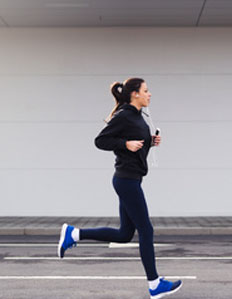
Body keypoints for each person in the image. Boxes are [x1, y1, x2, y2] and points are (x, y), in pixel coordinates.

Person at [57, 78, 183, 298]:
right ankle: (154, 284)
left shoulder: (137, 116)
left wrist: (150, 142)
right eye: (146, 90)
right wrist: (125, 144)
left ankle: (74, 234)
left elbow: (134, 142)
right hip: (126, 181)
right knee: (147, 230)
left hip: (131, 179)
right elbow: (101, 140)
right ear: (135, 93)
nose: (149, 94)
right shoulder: (124, 115)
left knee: (125, 234)